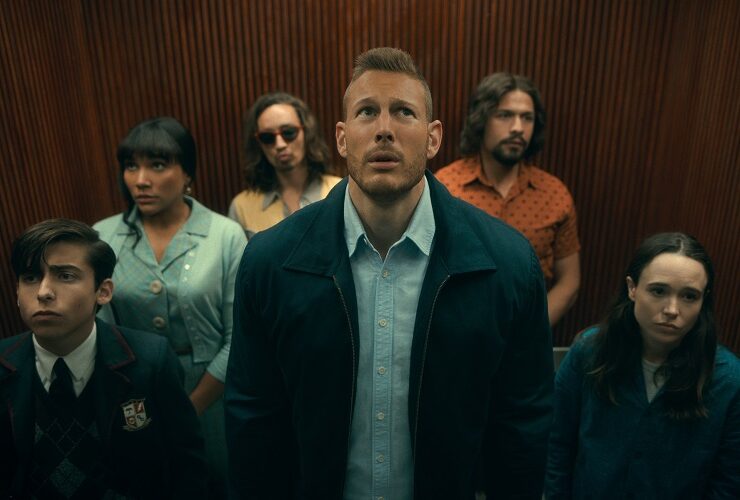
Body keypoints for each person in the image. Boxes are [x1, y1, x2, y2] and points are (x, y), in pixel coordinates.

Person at [225, 47, 553, 499]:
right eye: (366, 112)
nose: (384, 129)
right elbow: (253, 421)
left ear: (433, 138)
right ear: (342, 139)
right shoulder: (270, 262)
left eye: (403, 112)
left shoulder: (508, 264)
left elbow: (522, 424)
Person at [93, 117, 247, 496]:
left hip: (213, 391)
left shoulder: (224, 235)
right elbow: (101, 333)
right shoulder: (103, 236)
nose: (141, 180)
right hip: (134, 396)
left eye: (158, 165)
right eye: (131, 166)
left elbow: (241, 336)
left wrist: (187, 408)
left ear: (187, 173)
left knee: (222, 482)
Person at [0, 218, 206, 498]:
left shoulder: (150, 360)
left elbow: (187, 463)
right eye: (30, 278)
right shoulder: (4, 363)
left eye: (65, 276)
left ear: (103, 291)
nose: (43, 292)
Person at [545, 232, 740, 498]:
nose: (672, 309)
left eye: (689, 296)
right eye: (658, 291)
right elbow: (556, 444)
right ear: (632, 288)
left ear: (703, 300)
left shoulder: (729, 379)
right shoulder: (590, 351)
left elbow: (729, 481)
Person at [436, 73, 580, 326]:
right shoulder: (446, 188)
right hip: (458, 331)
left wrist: (531, 333)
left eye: (527, 118)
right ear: (481, 119)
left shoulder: (554, 194)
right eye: (504, 115)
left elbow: (569, 282)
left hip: (528, 332)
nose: (517, 128)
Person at [228, 92, 342, 237]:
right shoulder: (242, 207)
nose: (280, 144)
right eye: (267, 137)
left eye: (288, 132)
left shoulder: (341, 192)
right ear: (258, 143)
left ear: (306, 132)